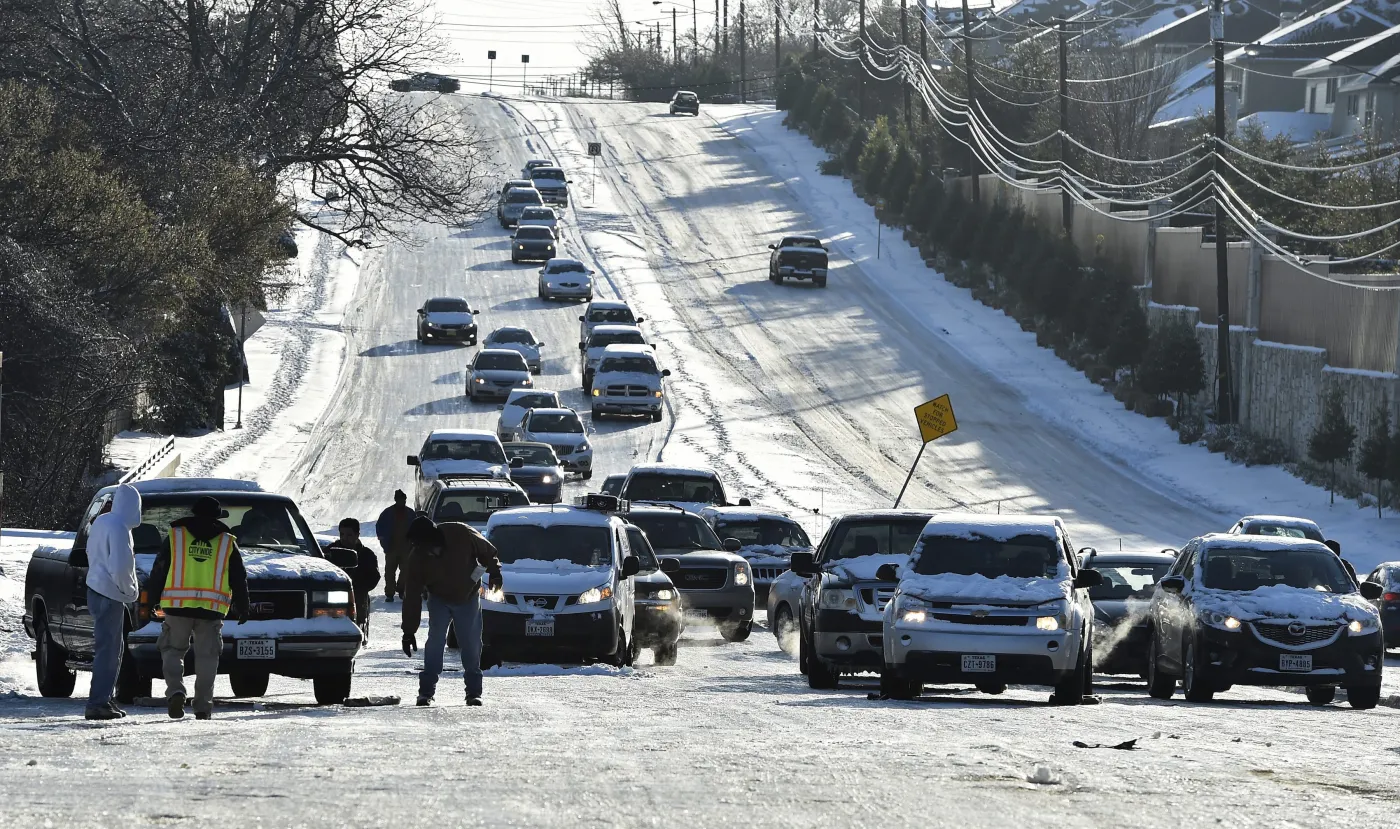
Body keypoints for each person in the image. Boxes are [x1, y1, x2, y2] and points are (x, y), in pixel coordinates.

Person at [145, 496, 249, 720]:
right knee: (207, 657)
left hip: (177, 607)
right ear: (217, 516)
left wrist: (152, 599)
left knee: (172, 651)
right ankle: (202, 706)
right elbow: (239, 577)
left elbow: (159, 569)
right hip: (211, 610)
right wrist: (243, 605)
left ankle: (175, 692)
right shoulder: (227, 542)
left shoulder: (176, 537)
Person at [400, 515, 502, 707]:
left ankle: (473, 692)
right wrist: (408, 631)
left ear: (434, 537)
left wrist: (495, 572)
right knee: (435, 643)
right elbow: (411, 596)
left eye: (425, 545)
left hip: (468, 597)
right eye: (418, 546)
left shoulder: (461, 533)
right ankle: (426, 692)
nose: (423, 550)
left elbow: (487, 551)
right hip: (439, 599)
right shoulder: (417, 558)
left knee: (471, 644)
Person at [83, 484, 142, 720]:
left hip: (95, 589)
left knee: (108, 649)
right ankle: (98, 702)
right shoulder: (119, 528)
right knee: (109, 652)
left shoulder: (102, 521)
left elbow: (90, 552)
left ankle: (104, 699)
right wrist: (129, 591)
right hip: (110, 593)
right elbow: (120, 566)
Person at [325, 517, 382, 636]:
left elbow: (374, 577)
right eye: (342, 534)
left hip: (357, 597)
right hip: (331, 596)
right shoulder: (329, 551)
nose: (344, 538)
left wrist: (358, 586)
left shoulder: (367, 555)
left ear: (357, 535)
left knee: (357, 624)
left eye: (349, 535)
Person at [376, 490, 415, 602]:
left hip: (406, 547)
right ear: (396, 500)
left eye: (403, 500)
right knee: (389, 571)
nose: (402, 502)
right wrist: (383, 540)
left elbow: (416, 528)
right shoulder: (387, 513)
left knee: (406, 570)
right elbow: (379, 527)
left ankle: (401, 589)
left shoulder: (410, 513)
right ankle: (390, 593)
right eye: (400, 500)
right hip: (391, 547)